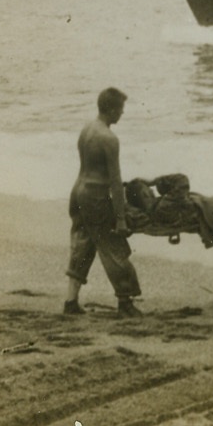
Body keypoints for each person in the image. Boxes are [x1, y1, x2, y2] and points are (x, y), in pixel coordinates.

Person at [64, 88, 142, 318]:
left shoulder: (87, 129)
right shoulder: (109, 138)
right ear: (112, 109)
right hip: (95, 196)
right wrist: (120, 219)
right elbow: (115, 181)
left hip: (78, 191)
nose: (122, 113)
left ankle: (70, 301)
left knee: (83, 243)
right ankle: (125, 302)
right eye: (121, 109)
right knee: (113, 245)